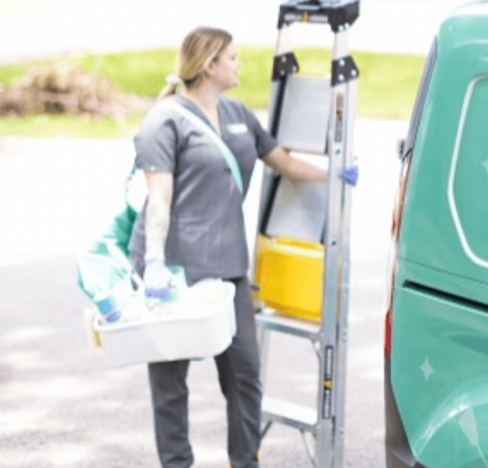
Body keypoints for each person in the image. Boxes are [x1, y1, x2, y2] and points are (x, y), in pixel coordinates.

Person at [128, 26, 356, 468]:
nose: (240, 65)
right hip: (172, 271)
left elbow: (283, 162)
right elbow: (158, 201)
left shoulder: (239, 115)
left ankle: (244, 461)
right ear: (210, 64)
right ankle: (177, 463)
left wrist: (336, 175)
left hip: (227, 270)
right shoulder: (165, 120)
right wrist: (153, 264)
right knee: (171, 381)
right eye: (232, 57)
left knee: (245, 374)